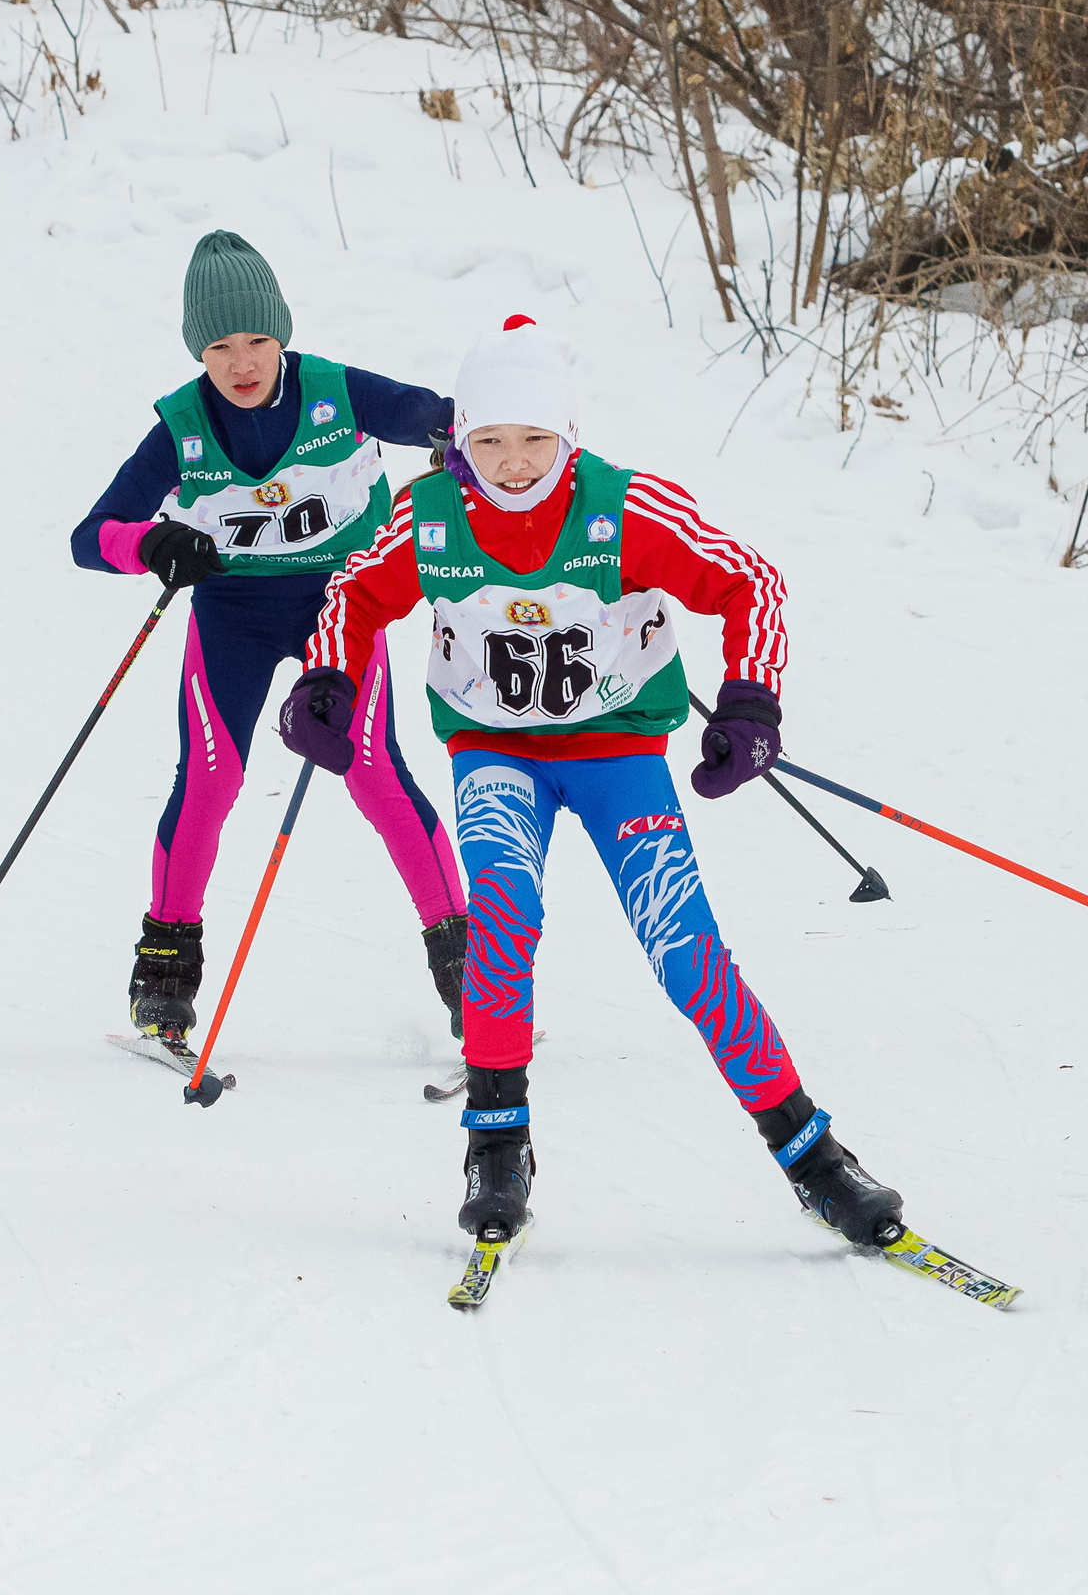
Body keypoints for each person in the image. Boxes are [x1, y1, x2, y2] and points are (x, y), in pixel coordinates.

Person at [275, 314, 910, 1251]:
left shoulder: (626, 510)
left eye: (536, 438)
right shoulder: (431, 513)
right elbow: (354, 594)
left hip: (617, 754)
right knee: (497, 922)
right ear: (459, 437)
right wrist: (326, 680)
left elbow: (750, 581)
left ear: (568, 435)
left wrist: (749, 705)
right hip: (494, 751)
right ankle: (497, 1143)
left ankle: (813, 1157)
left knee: (686, 950)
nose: (515, 461)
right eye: (489, 439)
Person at [73, 231, 469, 1042]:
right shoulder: (181, 427)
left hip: (338, 608)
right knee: (211, 778)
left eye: (257, 339)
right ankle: (166, 971)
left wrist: (482, 448)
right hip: (233, 613)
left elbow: (447, 422)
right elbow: (92, 535)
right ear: (199, 352)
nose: (242, 362)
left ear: (281, 335)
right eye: (220, 346)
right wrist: (149, 544)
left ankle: (472, 976)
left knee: (373, 774)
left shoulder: (339, 391)